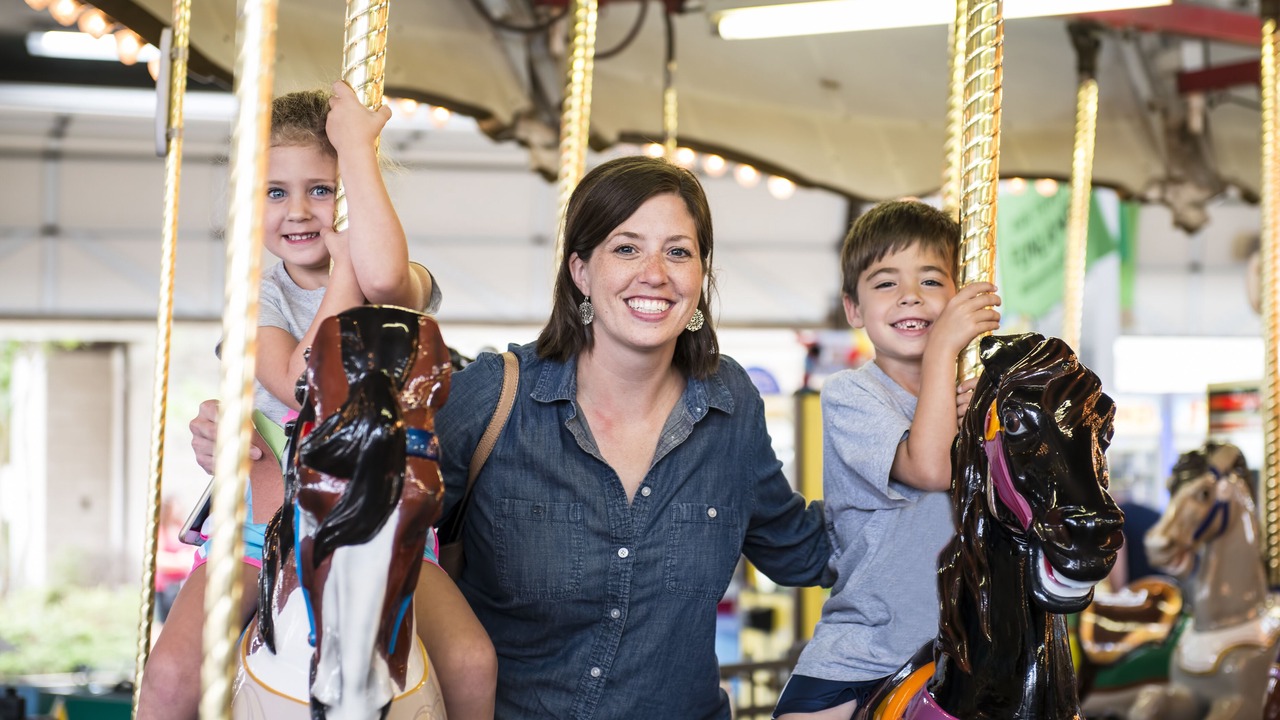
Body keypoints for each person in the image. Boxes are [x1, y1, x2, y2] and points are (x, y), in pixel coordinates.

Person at [424, 154, 833, 719]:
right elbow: (382, 533)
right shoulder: (498, 396)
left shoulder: (728, 403)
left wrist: (933, 470)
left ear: (701, 274)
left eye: (678, 251)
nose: (655, 273)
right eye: (626, 247)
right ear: (581, 272)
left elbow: (801, 550)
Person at [137, 80, 496, 720]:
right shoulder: (256, 294)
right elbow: (301, 380)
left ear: (355, 194)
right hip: (263, 530)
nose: (298, 210)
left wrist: (357, 153)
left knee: (471, 661)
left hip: (383, 526)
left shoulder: (397, 280)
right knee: (168, 676)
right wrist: (341, 283)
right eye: (275, 192)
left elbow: (386, 275)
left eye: (322, 189)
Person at [775, 201, 1001, 719]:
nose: (910, 298)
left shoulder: (978, 403)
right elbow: (930, 468)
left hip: (965, 649)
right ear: (853, 309)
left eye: (930, 281)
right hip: (866, 652)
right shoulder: (852, 395)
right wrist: (945, 347)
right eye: (884, 284)